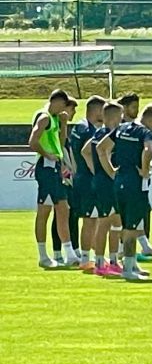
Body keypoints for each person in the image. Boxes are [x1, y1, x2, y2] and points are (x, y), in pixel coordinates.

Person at [98, 103, 152, 281]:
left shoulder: (121, 128)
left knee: (129, 224)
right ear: (151, 119)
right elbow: (147, 151)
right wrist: (144, 170)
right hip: (135, 183)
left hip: (119, 181)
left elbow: (101, 149)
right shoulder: (144, 133)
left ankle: (132, 263)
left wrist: (112, 171)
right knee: (131, 228)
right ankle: (128, 269)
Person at [29, 89, 79, 268]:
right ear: (57, 102)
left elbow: (61, 141)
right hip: (46, 167)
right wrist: (47, 154)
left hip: (56, 167)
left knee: (61, 209)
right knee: (48, 211)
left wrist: (64, 124)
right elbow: (32, 141)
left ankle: (69, 253)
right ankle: (46, 255)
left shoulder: (56, 119)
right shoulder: (44, 117)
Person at [118, 92, 152, 258]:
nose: (136, 111)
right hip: (129, 177)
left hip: (131, 177)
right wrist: (145, 170)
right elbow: (146, 151)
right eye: (133, 107)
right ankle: (124, 251)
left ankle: (142, 246)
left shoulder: (131, 129)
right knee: (129, 213)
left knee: (141, 209)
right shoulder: (123, 129)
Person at [82, 101, 124, 276]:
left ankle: (113, 261)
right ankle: (100, 263)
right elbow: (102, 153)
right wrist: (111, 173)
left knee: (116, 222)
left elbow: (85, 151)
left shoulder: (98, 133)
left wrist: (95, 170)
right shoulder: (109, 135)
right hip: (106, 183)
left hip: (101, 180)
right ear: (115, 117)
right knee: (105, 221)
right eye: (121, 117)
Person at [68, 95, 105, 269]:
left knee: (93, 219)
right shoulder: (88, 131)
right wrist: (97, 173)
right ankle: (85, 259)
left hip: (81, 178)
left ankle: (95, 256)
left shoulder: (79, 127)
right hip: (88, 180)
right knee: (91, 220)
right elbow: (87, 153)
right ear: (96, 110)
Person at [50, 97, 80, 264]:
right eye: (72, 109)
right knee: (61, 215)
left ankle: (72, 251)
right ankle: (58, 253)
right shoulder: (55, 125)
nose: (73, 113)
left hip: (69, 177)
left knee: (70, 214)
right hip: (62, 177)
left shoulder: (65, 130)